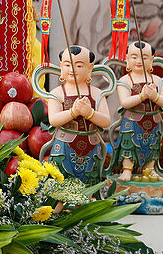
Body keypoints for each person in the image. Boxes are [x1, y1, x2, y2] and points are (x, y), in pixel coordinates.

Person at [44, 46, 112, 184]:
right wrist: (73, 112)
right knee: (61, 185)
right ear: (61, 66)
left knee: (89, 184)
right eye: (68, 65)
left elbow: (106, 121)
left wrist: (90, 113)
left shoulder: (96, 93)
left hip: (91, 146)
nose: (72, 69)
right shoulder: (57, 93)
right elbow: (53, 120)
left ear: (90, 68)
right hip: (64, 146)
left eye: (79, 65)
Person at [111, 41, 163, 182]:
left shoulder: (157, 80)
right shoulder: (125, 80)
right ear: (127, 59)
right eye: (134, 57)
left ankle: (149, 170)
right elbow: (125, 102)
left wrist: (155, 96)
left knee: (152, 146)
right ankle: (127, 170)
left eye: (144, 57)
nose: (139, 61)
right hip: (132, 121)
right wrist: (142, 96)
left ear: (151, 60)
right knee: (129, 145)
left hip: (153, 120)